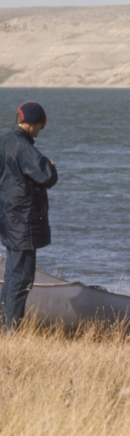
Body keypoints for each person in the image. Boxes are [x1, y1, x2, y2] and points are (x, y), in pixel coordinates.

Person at [0, 101, 58, 332]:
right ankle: (11, 331)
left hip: (8, 218)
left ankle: (4, 327)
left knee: (12, 274)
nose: (39, 132)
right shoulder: (23, 146)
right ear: (32, 124)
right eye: (40, 127)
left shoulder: (3, 141)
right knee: (22, 279)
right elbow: (46, 176)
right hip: (23, 222)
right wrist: (51, 166)